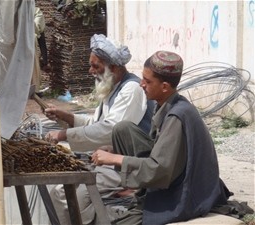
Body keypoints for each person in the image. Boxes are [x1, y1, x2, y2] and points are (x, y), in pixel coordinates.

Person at [91, 50, 231, 225]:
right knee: (123, 129)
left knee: (122, 222)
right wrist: (113, 150)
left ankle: (142, 194)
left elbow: (159, 168)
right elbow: (159, 148)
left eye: (147, 81)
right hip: (172, 175)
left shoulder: (177, 116)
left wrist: (115, 159)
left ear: (164, 86)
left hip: (185, 193)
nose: (141, 84)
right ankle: (137, 188)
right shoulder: (168, 103)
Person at [44, 34, 155, 225]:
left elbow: (109, 130)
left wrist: (63, 135)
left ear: (113, 67)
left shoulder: (131, 89)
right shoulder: (112, 87)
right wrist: (68, 117)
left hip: (124, 163)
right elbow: (96, 122)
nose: (91, 71)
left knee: (68, 194)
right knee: (59, 190)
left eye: (96, 66)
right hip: (105, 160)